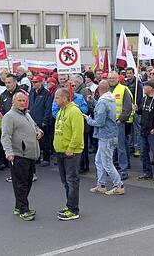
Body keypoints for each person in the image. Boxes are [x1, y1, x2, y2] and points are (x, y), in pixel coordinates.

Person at [1, 91, 42, 221]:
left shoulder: (27, 114)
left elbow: (35, 127)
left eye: (24, 100)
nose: (22, 103)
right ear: (13, 102)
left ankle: (19, 207)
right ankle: (24, 209)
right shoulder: (9, 117)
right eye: (20, 100)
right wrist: (9, 152)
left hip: (30, 155)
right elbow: (5, 136)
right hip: (19, 155)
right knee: (21, 184)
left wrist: (39, 132)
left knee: (27, 182)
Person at [86, 81, 125, 196]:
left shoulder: (103, 102)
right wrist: (93, 101)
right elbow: (103, 111)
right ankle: (101, 185)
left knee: (107, 162)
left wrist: (88, 120)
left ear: (98, 89)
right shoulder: (110, 99)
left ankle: (119, 185)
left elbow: (99, 122)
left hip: (105, 136)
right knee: (99, 160)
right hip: (110, 134)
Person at [53, 88, 84, 221]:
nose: (55, 100)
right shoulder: (61, 111)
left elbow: (77, 133)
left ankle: (73, 209)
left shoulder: (74, 111)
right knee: (66, 181)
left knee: (72, 181)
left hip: (71, 153)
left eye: (57, 97)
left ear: (65, 98)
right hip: (61, 151)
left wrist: (71, 148)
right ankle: (69, 205)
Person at [136, 81, 154, 184]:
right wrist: (137, 110)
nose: (144, 88)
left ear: (152, 88)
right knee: (143, 153)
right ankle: (147, 173)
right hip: (143, 129)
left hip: (153, 131)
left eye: (146, 87)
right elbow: (141, 111)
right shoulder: (144, 99)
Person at [108, 71, 133, 179]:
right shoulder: (106, 89)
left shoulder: (123, 89)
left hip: (118, 123)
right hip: (108, 124)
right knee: (110, 147)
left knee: (120, 147)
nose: (111, 80)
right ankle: (112, 168)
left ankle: (123, 170)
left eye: (113, 78)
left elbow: (128, 107)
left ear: (118, 79)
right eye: (110, 78)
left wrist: (121, 119)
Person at [28, 76, 53, 167]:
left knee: (45, 140)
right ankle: (37, 157)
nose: (34, 84)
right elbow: (30, 105)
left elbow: (48, 107)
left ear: (40, 82)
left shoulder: (46, 93)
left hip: (42, 120)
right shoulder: (31, 92)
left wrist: (45, 120)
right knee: (35, 140)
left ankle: (46, 159)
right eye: (33, 82)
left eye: (36, 82)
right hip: (33, 119)